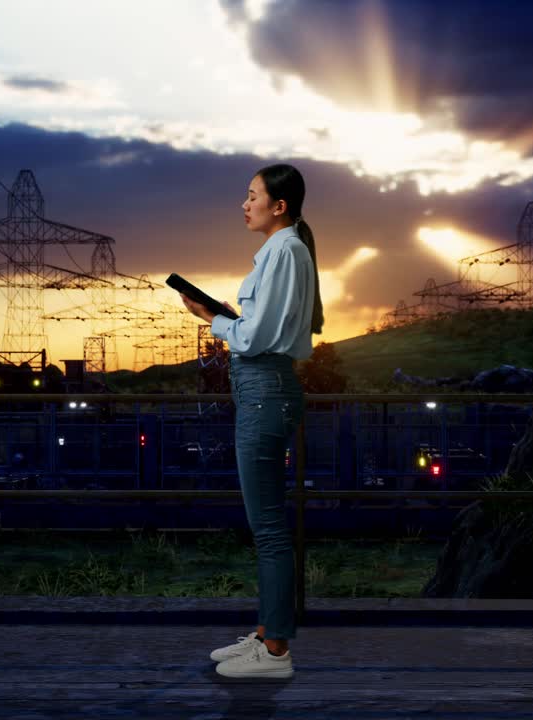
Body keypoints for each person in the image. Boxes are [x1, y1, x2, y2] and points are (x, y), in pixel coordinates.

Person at [180, 163, 324, 679]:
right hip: (263, 390)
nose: (244, 204)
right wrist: (225, 317)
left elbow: (255, 338)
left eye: (252, 196)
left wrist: (214, 320)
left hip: (264, 391)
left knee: (268, 529)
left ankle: (276, 653)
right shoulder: (286, 251)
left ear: (278, 206)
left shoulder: (285, 251)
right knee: (265, 526)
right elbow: (262, 328)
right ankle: (268, 633)